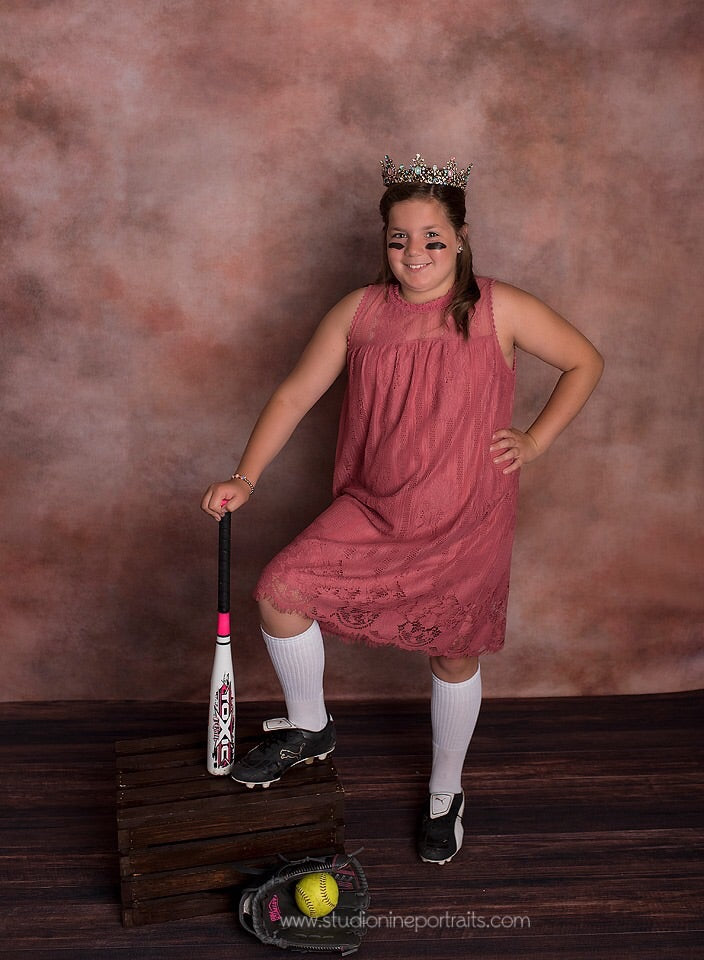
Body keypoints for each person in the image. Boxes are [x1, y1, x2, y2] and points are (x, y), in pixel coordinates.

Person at [201, 153, 604, 865]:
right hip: (374, 508)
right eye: (399, 239)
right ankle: (310, 728)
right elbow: (294, 395)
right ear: (384, 242)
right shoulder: (358, 312)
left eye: (432, 238)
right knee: (281, 591)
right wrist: (246, 476)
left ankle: (446, 793)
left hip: (468, 517)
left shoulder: (501, 308)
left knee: (453, 653)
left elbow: (585, 361)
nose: (415, 253)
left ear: (461, 238)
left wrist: (535, 439)